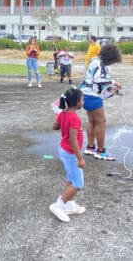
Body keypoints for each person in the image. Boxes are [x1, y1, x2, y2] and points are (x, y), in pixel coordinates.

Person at [80, 43, 122, 161]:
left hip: (86, 94)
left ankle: (90, 147)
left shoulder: (95, 62)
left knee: (92, 122)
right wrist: (113, 82)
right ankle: (101, 151)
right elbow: (97, 79)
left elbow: (96, 82)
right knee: (101, 122)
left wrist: (112, 89)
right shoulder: (99, 64)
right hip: (92, 97)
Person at [50, 87, 86, 222]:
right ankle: (58, 205)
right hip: (71, 153)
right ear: (76, 102)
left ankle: (69, 205)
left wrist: (59, 116)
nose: (83, 102)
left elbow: (55, 127)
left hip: (64, 150)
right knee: (78, 183)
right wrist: (80, 158)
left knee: (71, 179)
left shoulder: (63, 114)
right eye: (82, 100)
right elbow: (73, 139)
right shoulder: (74, 118)